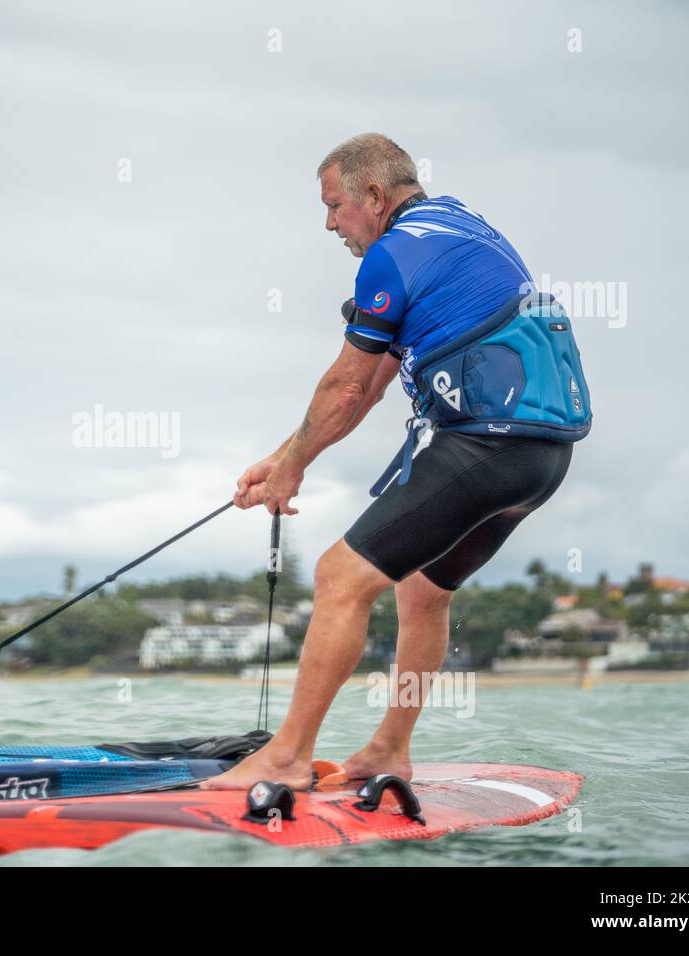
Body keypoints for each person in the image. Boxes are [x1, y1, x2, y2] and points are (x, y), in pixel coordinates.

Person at [201, 133, 591, 791]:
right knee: (421, 590)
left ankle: (286, 757)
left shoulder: (390, 257)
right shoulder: (459, 228)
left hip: (488, 444)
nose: (330, 222)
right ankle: (387, 750)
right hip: (542, 460)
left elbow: (345, 386)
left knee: (339, 578)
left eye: (335, 206)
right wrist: (282, 460)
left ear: (375, 197)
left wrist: (292, 471)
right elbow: (370, 387)